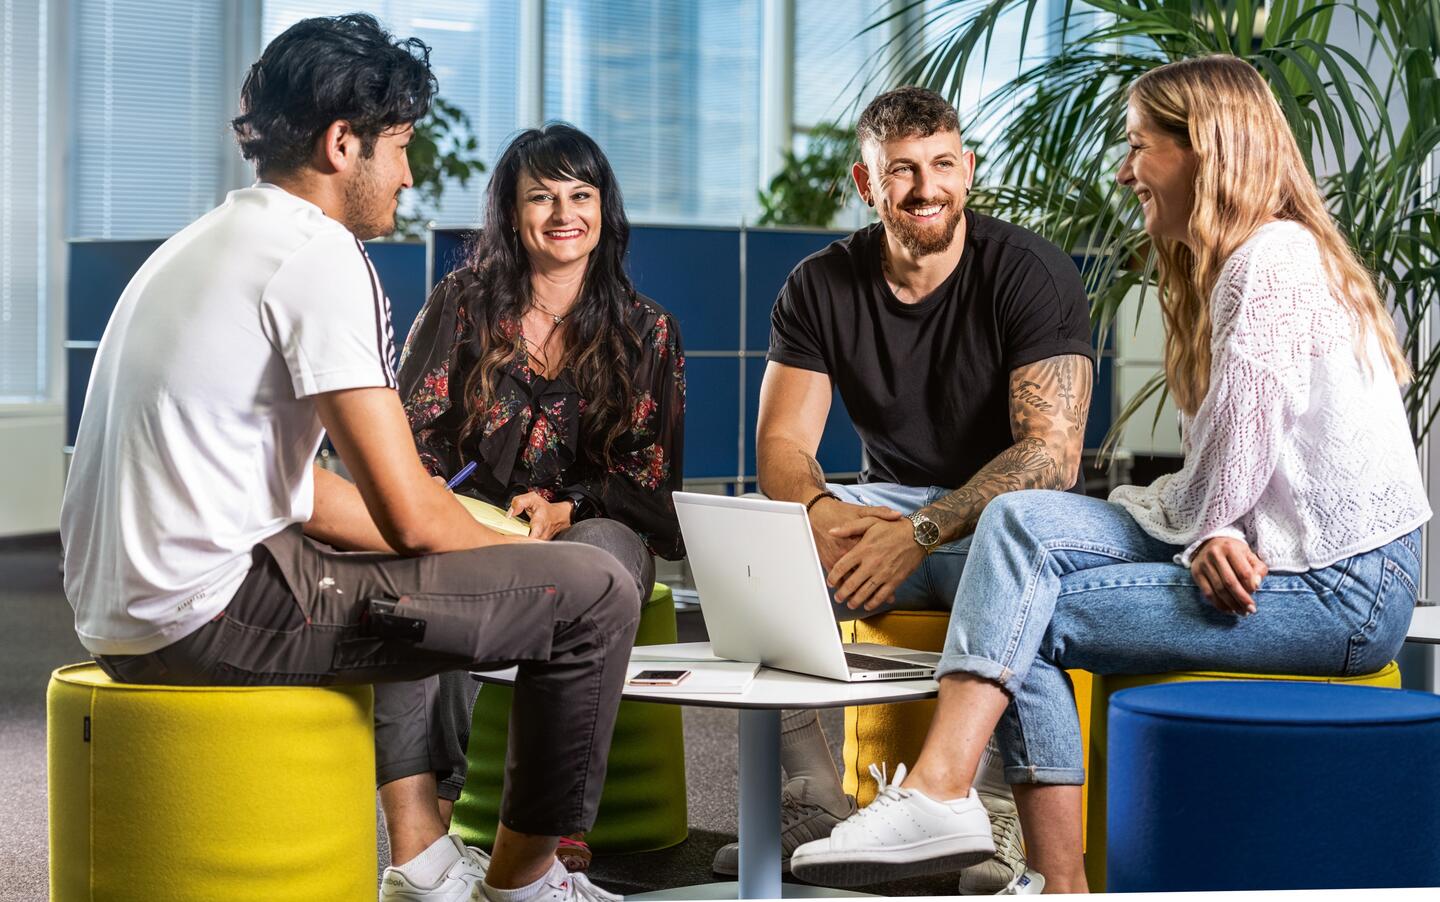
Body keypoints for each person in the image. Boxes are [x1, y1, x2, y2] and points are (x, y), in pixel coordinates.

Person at [787, 54, 1430, 895]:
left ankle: (1013, 847)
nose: (1125, 170)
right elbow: (1242, 458)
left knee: (1032, 603)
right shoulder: (1233, 260)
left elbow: (1235, 452)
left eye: (1139, 147)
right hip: (1271, 551)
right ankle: (969, 817)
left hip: (1340, 590)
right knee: (1021, 523)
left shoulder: (1270, 263)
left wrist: (1210, 527)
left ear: (1207, 148)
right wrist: (1216, 524)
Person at [59, 16, 633, 902]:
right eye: (399, 147)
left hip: (129, 608)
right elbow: (409, 511)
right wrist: (536, 565)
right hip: (203, 617)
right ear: (342, 143)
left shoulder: (203, 243)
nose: (408, 173)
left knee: (420, 569)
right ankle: (525, 884)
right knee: (597, 594)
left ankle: (431, 861)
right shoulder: (320, 254)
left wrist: (472, 551)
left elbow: (299, 492)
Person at [741, 86, 1094, 892]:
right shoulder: (819, 285)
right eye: (902, 170)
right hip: (890, 500)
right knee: (768, 557)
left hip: (1009, 517)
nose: (926, 187)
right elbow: (783, 448)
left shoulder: (1030, 272)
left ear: (968, 170)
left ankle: (1014, 839)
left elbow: (1051, 457)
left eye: (942, 164)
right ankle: (814, 802)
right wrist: (827, 513)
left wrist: (923, 531)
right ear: (867, 186)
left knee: (1023, 595)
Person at [397, 123, 686, 870]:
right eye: (542, 196)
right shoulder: (461, 305)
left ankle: (552, 831)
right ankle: (432, 825)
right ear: (511, 213)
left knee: (594, 572)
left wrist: (571, 508)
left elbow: (653, 483)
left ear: (604, 208)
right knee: (447, 570)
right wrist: (449, 502)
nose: (564, 213)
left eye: (580, 194)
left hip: (594, 528)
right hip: (476, 525)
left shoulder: (648, 331)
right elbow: (410, 433)